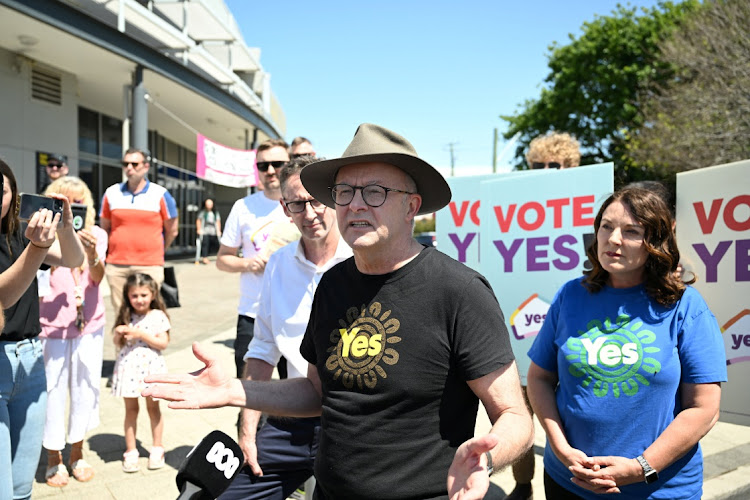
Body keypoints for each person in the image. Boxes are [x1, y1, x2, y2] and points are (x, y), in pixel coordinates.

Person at [144, 123, 534, 499]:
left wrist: (485, 459)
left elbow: (514, 415)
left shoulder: (459, 291)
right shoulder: (332, 285)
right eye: (344, 192)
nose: (355, 204)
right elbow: (317, 392)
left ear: (411, 207)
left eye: (375, 192)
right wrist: (234, 390)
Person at [526, 186, 726, 499]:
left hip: (658, 489)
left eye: (631, 231)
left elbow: (704, 408)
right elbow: (539, 378)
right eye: (606, 226)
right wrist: (560, 447)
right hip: (568, 483)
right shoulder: (570, 294)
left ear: (655, 242)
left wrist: (641, 467)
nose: (613, 239)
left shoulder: (685, 305)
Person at [221, 156, 352, 499]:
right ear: (284, 208)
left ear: (336, 196)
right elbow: (263, 350)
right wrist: (247, 430)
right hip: (294, 417)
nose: (309, 213)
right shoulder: (278, 265)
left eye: (317, 200)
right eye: (298, 204)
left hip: (352, 423)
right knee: (229, 493)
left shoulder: (362, 260)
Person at [507, 130, 584, 500]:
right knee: (520, 419)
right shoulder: (511, 204)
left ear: (571, 166)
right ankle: (523, 484)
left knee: (566, 420)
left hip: (575, 333)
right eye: (539, 165)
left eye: (556, 165)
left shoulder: (590, 207)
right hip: (523, 333)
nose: (547, 171)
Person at [0, 160, 84, 500]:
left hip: (32, 361)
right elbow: (3, 296)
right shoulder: (30, 241)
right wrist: (36, 249)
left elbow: (73, 259)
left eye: (1, 190)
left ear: (13, 194)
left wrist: (64, 226)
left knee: (21, 488)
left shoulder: (20, 232)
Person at [39, 176, 108, 487]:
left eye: (76, 204)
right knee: (51, 391)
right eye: (61, 202)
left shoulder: (96, 234)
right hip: (50, 325)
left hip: (88, 323)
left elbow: (96, 277)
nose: (69, 210)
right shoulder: (39, 234)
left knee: (84, 388)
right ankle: (53, 456)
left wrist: (91, 253)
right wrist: (50, 241)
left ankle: (77, 451)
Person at [217, 139, 291, 379]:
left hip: (296, 311)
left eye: (278, 163)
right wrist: (248, 264)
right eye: (263, 165)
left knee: (297, 393)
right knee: (247, 392)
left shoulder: (305, 203)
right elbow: (222, 259)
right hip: (253, 313)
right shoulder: (243, 207)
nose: (270, 170)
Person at [99, 147, 179, 311]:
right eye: (125, 164)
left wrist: (158, 250)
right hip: (117, 265)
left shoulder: (160, 194)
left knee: (150, 314)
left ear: (146, 166)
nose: (129, 168)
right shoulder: (111, 193)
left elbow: (172, 230)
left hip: (149, 265)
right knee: (121, 314)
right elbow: (104, 228)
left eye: (134, 164)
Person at [111, 272, 171, 473]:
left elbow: (163, 342)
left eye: (144, 295)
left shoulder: (157, 316)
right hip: (129, 370)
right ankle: (131, 450)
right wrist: (119, 334)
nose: (139, 300)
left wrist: (141, 334)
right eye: (134, 295)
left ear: (153, 294)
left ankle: (157, 447)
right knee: (130, 410)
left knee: (153, 409)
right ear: (128, 296)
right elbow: (118, 344)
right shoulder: (127, 315)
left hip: (150, 370)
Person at [195, 198, 222, 265]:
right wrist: (198, 229)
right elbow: (199, 220)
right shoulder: (203, 212)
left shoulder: (215, 213)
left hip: (213, 231)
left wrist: (218, 230)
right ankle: (205, 257)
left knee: (215, 244)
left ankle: (220, 256)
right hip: (205, 231)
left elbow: (218, 221)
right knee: (205, 244)